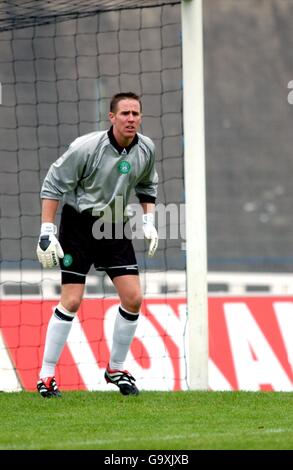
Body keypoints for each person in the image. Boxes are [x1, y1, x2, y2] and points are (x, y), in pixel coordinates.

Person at [36, 92, 158, 398]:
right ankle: (46, 375)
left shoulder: (146, 148)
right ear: (112, 117)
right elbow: (53, 184)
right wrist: (47, 230)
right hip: (78, 226)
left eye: (136, 113)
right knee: (73, 301)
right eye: (125, 113)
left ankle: (116, 368)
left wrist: (149, 221)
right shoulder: (86, 147)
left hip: (114, 225)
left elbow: (147, 185)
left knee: (133, 298)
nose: (131, 118)